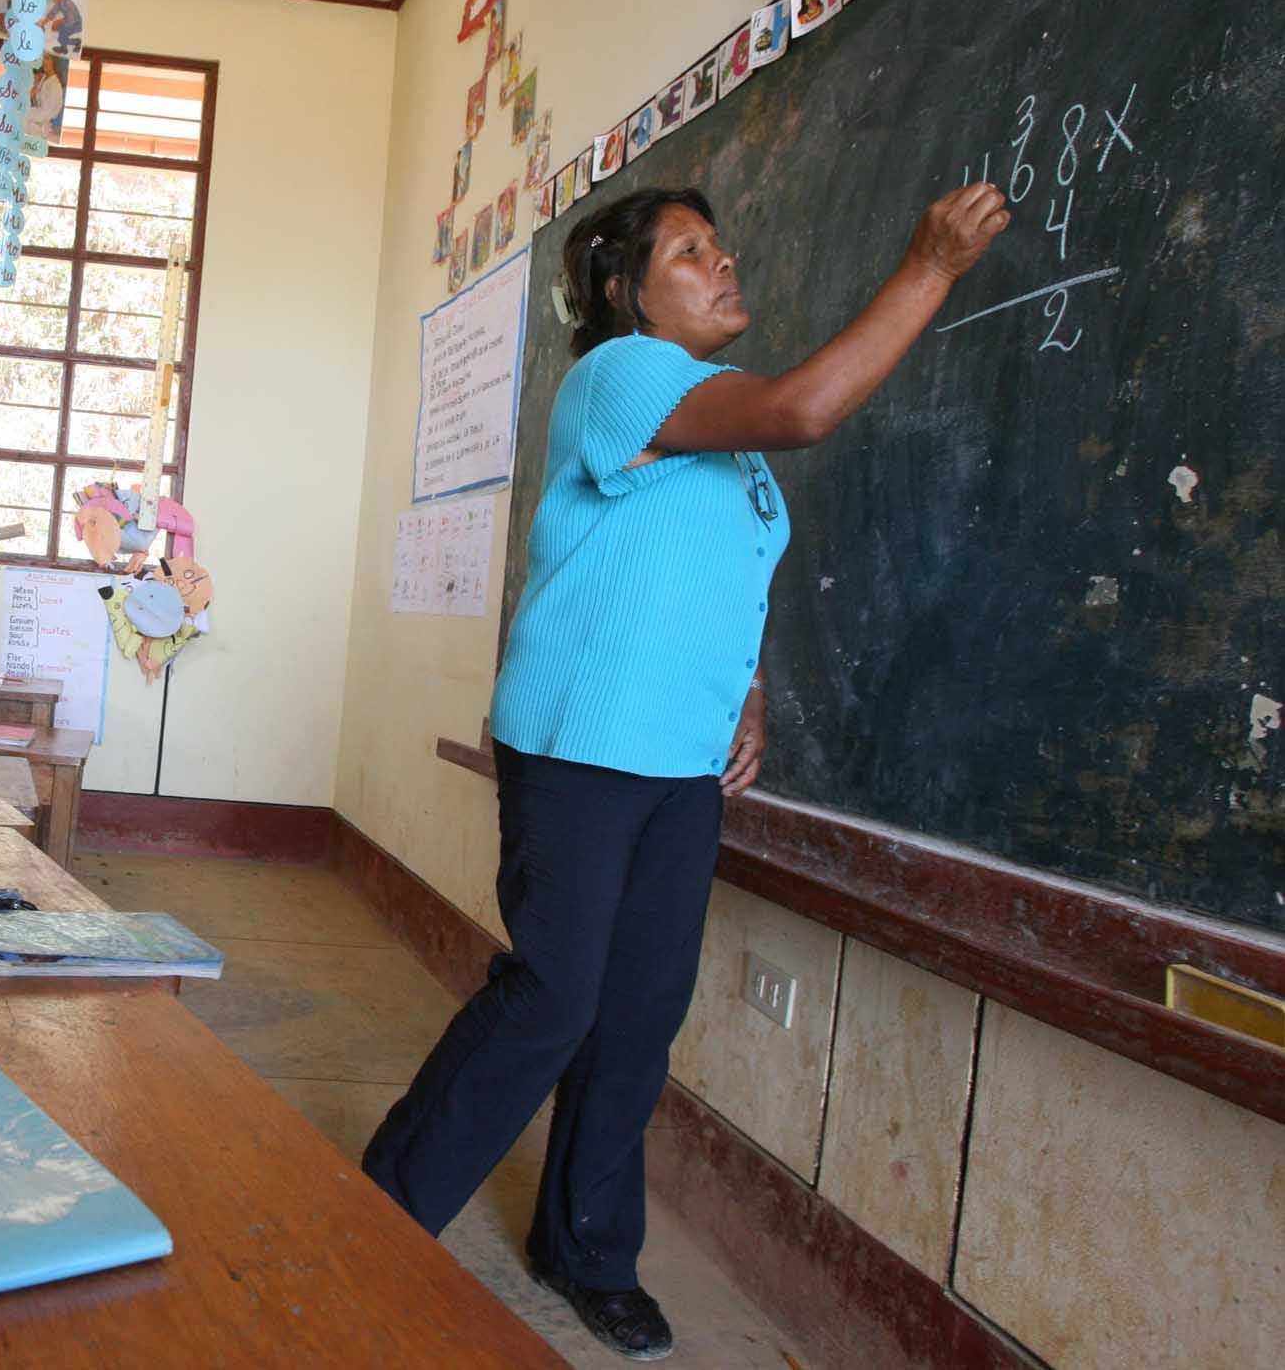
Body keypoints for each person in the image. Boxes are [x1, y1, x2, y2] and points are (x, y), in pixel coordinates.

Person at [362, 181, 1009, 1361]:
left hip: (674, 760)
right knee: (551, 997)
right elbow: (806, 408)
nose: (722, 264)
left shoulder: (723, 438)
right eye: (689, 252)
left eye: (720, 246)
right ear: (624, 293)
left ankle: (583, 1250)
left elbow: (705, 569)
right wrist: (928, 265)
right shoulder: (621, 374)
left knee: (638, 1012)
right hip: (578, 742)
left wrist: (745, 686)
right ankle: (373, 1215)